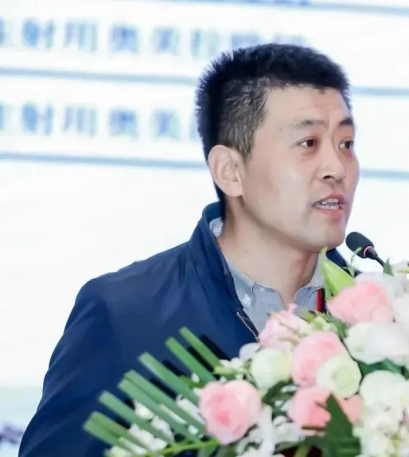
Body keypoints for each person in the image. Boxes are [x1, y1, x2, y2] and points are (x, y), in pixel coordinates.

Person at [19, 43, 360, 456]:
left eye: (346, 143)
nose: (337, 168)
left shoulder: (386, 322)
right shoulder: (125, 315)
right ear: (230, 171)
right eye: (308, 143)